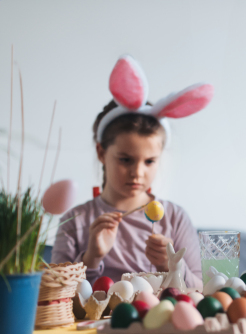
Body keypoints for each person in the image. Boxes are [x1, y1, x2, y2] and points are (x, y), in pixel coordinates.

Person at [52, 55, 213, 288]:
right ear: (101, 152)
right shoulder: (74, 222)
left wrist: (172, 266)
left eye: (149, 161)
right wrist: (92, 258)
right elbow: (56, 297)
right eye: (125, 160)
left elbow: (202, 291)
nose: (137, 173)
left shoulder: (175, 219)